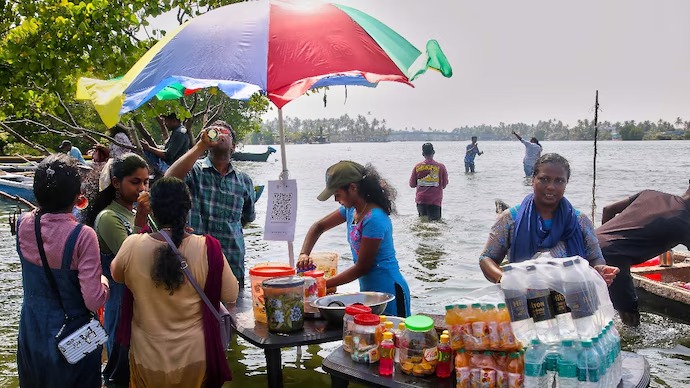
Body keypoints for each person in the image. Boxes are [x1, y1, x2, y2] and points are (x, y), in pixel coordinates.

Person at [111, 177, 239, 387]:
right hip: (195, 357)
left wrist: (139, 229)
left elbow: (117, 275)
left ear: (152, 210)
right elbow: (230, 295)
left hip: (147, 356)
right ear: (188, 208)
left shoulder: (132, 245)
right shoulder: (208, 249)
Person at [15, 154, 109, 387]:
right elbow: (92, 300)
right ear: (78, 197)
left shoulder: (23, 223)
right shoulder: (83, 235)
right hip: (73, 338)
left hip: (31, 330)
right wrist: (104, 282)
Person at [478, 153, 619, 285]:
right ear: (532, 180)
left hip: (572, 300)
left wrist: (600, 270)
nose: (551, 187)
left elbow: (595, 257)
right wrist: (504, 278)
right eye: (544, 179)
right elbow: (486, 258)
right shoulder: (510, 219)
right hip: (526, 296)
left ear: (566, 184)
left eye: (559, 181)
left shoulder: (579, 221)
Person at [297, 161, 411, 317]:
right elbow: (318, 227)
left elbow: (362, 267)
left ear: (353, 188)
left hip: (389, 291)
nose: (336, 199)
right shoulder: (350, 210)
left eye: (337, 194)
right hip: (369, 292)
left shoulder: (374, 218)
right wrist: (304, 254)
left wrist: (321, 284)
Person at [82, 153, 150, 384]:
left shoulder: (129, 212)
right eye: (135, 182)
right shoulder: (109, 218)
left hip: (139, 303)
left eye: (145, 182)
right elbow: (132, 260)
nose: (142, 188)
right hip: (121, 305)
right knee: (120, 370)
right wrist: (142, 219)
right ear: (116, 183)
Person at [166, 120, 255, 288]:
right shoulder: (194, 171)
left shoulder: (244, 180)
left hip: (232, 261)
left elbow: (247, 217)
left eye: (224, 132)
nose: (219, 134)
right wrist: (200, 145)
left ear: (233, 146)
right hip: (197, 262)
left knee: (233, 312)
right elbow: (169, 179)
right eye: (216, 131)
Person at [596, 182, 690, 326]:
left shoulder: (650, 194)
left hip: (589, 244)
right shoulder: (685, 223)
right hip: (614, 257)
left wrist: (599, 246)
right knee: (631, 318)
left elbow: (608, 209)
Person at [409, 142, 449, 220]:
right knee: (435, 224)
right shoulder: (440, 167)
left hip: (421, 200)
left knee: (422, 222)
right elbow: (444, 185)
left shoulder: (417, 167)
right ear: (433, 152)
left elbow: (412, 184)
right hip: (435, 201)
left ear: (423, 154)